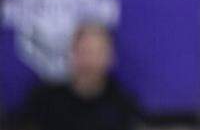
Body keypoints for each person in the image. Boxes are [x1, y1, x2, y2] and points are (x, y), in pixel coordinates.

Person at [12, 23, 141, 130]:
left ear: (111, 57)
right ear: (71, 54)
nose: (90, 61)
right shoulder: (43, 102)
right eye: (84, 51)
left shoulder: (123, 106)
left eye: (97, 53)